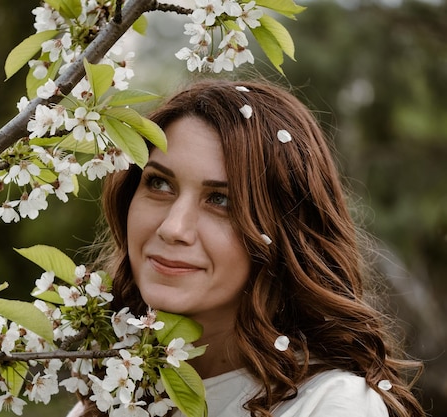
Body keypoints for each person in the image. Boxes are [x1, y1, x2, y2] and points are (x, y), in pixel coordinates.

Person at [71, 79, 425, 417]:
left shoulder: (331, 404)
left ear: (285, 231)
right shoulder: (116, 389)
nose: (173, 228)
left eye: (221, 200)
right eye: (160, 183)